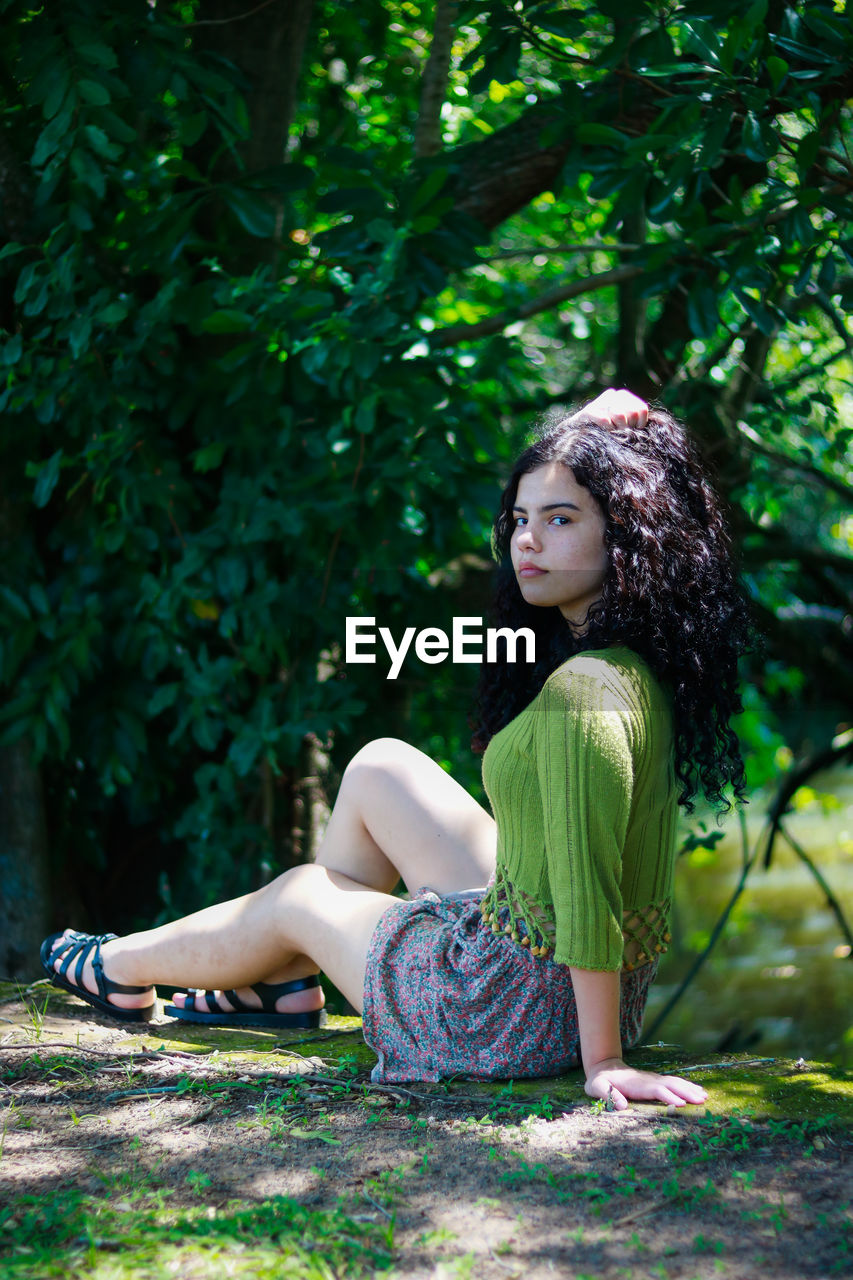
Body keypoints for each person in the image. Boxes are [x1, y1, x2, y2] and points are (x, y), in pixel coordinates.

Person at [41, 388, 751, 1110]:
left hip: (507, 1014)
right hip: (551, 988)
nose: (526, 541)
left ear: (629, 534)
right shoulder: (632, 664)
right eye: (519, 521)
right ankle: (279, 980)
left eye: (559, 520)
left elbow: (586, 889)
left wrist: (601, 1061)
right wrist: (583, 434)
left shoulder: (582, 694)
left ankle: (117, 964)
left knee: (302, 893)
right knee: (381, 765)